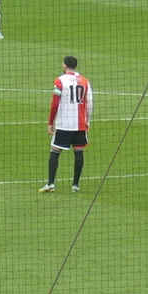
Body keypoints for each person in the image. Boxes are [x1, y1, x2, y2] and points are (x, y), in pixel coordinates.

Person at [41, 56, 92, 193]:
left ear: (64, 65)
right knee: (79, 151)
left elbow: (55, 103)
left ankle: (51, 183)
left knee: (55, 151)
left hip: (64, 123)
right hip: (80, 124)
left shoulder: (60, 81)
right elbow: (89, 104)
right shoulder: (85, 81)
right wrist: (87, 122)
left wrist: (51, 122)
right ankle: (75, 185)